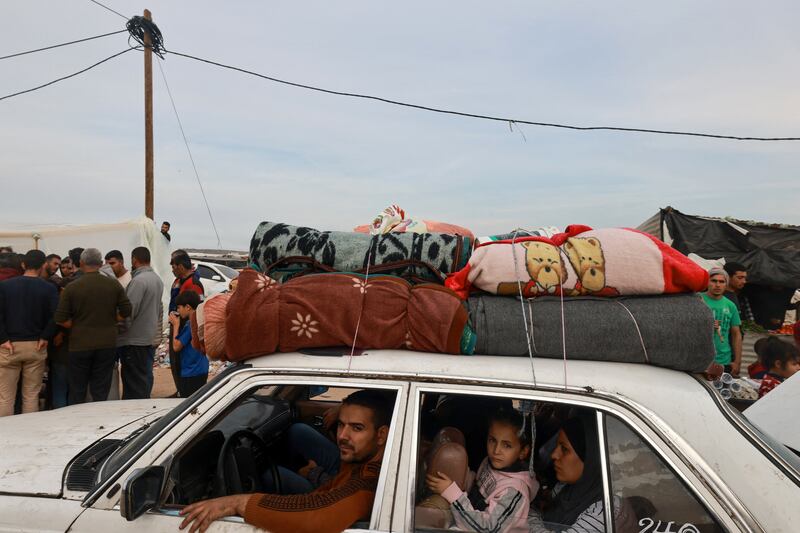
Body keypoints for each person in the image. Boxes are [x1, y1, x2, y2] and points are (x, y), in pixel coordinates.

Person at [179, 389, 393, 533]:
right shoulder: (359, 461)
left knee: (269, 476)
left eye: (357, 428)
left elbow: (320, 512)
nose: (342, 436)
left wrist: (239, 502)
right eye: (341, 424)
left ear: (382, 435)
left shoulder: (369, 483)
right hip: (324, 490)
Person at [427, 408, 539, 533]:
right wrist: (459, 476)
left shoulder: (514, 491)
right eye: (492, 440)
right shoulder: (490, 462)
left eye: (507, 445)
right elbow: (477, 486)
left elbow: (487, 528)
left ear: (523, 452)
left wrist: (452, 494)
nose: (496, 451)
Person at [527, 415, 632, 532]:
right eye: (557, 446)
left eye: (565, 449)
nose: (554, 455)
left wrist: (522, 511)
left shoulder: (607, 510)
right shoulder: (565, 488)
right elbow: (542, 508)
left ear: (590, 457)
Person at [54, 248, 132, 405]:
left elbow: (60, 318)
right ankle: (99, 422)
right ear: (101, 263)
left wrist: (76, 325)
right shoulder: (113, 285)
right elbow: (127, 310)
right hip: (107, 343)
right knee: (100, 389)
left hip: (79, 344)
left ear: (81, 263)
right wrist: (112, 319)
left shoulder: (72, 288)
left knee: (77, 389)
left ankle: (77, 422)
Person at [0, 250, 59, 416]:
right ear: (43, 266)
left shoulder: (5, 286)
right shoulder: (49, 288)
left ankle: (4, 434)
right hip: (36, 345)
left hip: (9, 345)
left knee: (5, 397)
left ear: (23, 265)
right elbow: (56, 316)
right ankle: (29, 433)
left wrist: (3, 339)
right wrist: (46, 336)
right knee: (31, 395)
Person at [118, 247, 164, 399]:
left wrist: (119, 331)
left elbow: (128, 312)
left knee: (133, 386)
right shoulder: (157, 279)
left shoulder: (138, 281)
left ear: (134, 260)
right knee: (142, 381)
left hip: (134, 341)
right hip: (146, 339)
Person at [168, 250, 204, 392]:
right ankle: (180, 389)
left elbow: (198, 310)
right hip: (177, 325)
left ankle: (184, 392)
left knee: (184, 360)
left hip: (185, 329)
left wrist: (179, 325)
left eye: (174, 266)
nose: (172, 270)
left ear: (181, 267)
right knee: (175, 361)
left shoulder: (194, 284)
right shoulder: (177, 282)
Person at [701, 268, 742, 376]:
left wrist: (737, 362)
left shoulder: (730, 305)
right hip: (699, 358)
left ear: (726, 284)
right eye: (714, 281)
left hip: (723, 360)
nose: (718, 285)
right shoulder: (697, 300)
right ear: (707, 282)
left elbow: (736, 334)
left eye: (721, 281)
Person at [168, 291, 208, 397]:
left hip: (191, 371)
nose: (178, 311)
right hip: (202, 368)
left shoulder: (191, 324)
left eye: (179, 307)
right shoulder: (201, 319)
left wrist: (176, 325)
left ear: (188, 307)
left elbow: (176, 346)